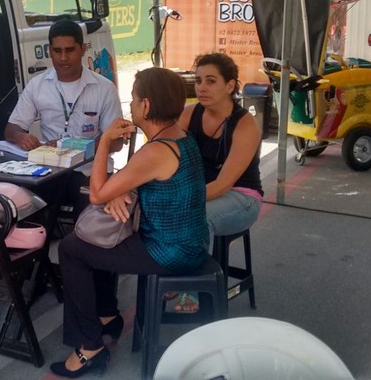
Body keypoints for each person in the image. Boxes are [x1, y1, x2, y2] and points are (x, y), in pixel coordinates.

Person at [51, 68, 207, 378]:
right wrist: (115, 194)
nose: (131, 106)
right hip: (188, 240)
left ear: (146, 106)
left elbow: (95, 193)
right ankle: (108, 316)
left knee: (72, 249)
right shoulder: (180, 137)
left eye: (134, 99)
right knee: (93, 243)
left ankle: (90, 346)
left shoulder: (155, 151)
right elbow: (121, 186)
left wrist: (105, 141)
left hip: (168, 250)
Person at [172, 53, 263, 313]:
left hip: (241, 198)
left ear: (230, 86)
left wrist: (183, 199)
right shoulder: (190, 114)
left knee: (199, 216)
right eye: (199, 80)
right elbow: (166, 155)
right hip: (200, 192)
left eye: (211, 81)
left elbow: (224, 183)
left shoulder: (245, 124)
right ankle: (172, 273)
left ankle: (192, 292)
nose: (201, 87)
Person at [4, 19, 123, 210]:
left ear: (83, 49)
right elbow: (11, 129)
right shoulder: (38, 85)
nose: (63, 58)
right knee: (22, 200)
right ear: (50, 50)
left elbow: (116, 142)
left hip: (90, 171)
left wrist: (72, 148)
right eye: (57, 51)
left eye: (70, 50)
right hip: (50, 170)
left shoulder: (104, 88)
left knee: (84, 204)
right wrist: (20, 137)